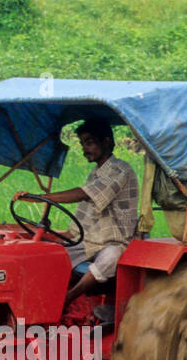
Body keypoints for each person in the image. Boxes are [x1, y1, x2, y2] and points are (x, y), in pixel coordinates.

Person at [13, 118, 138, 307]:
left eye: (89, 142)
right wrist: (52, 237)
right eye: (82, 143)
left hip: (116, 240)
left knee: (111, 257)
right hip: (90, 241)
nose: (84, 148)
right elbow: (83, 217)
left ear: (106, 141)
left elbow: (83, 194)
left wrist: (41, 197)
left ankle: (68, 298)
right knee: (48, 257)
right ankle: (35, 302)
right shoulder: (96, 173)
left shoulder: (120, 169)